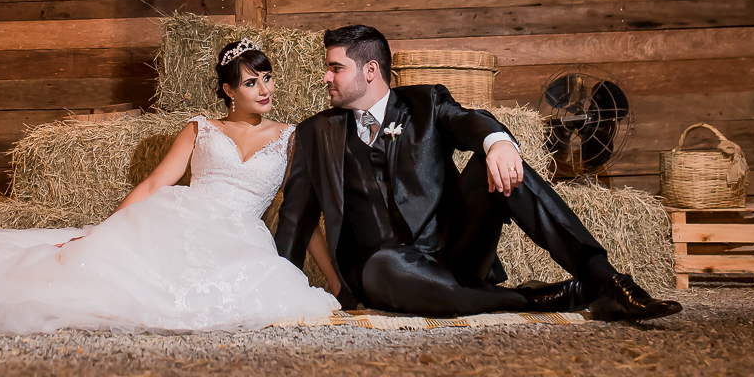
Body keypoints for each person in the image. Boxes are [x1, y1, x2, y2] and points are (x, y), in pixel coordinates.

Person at [0, 39, 339, 334]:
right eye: (250, 79)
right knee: (89, 279)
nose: (263, 87)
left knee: (247, 299)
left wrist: (332, 276)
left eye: (267, 77)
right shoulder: (200, 128)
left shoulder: (291, 137)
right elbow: (154, 183)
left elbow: (299, 207)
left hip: (240, 237)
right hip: (181, 218)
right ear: (228, 89)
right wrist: (104, 231)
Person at [275, 24, 683, 322]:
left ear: (369, 71)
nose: (325, 77)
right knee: (384, 266)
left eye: (335, 67)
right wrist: (279, 290)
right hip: (388, 272)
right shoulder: (315, 133)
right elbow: (296, 218)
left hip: (456, 251)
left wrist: (499, 143)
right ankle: (539, 300)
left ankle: (606, 281)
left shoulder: (426, 102)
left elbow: (470, 121)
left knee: (504, 165)